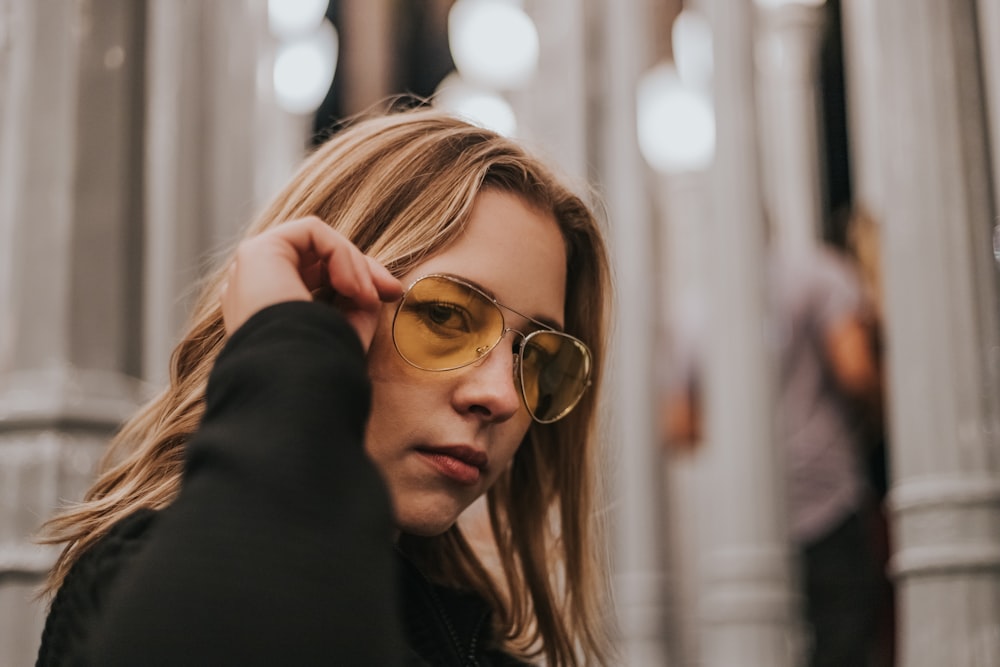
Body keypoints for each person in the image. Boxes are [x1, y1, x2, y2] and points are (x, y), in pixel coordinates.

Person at [35, 108, 615, 666]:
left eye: (537, 356)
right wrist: (286, 353)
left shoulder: (474, 641)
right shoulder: (142, 581)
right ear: (323, 303)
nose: (502, 396)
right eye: (445, 316)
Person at [660, 241, 883, 667]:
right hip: (827, 500)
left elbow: (680, 427)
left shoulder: (695, 308)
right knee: (844, 642)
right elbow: (855, 371)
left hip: (745, 520)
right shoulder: (815, 272)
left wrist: (737, 420)